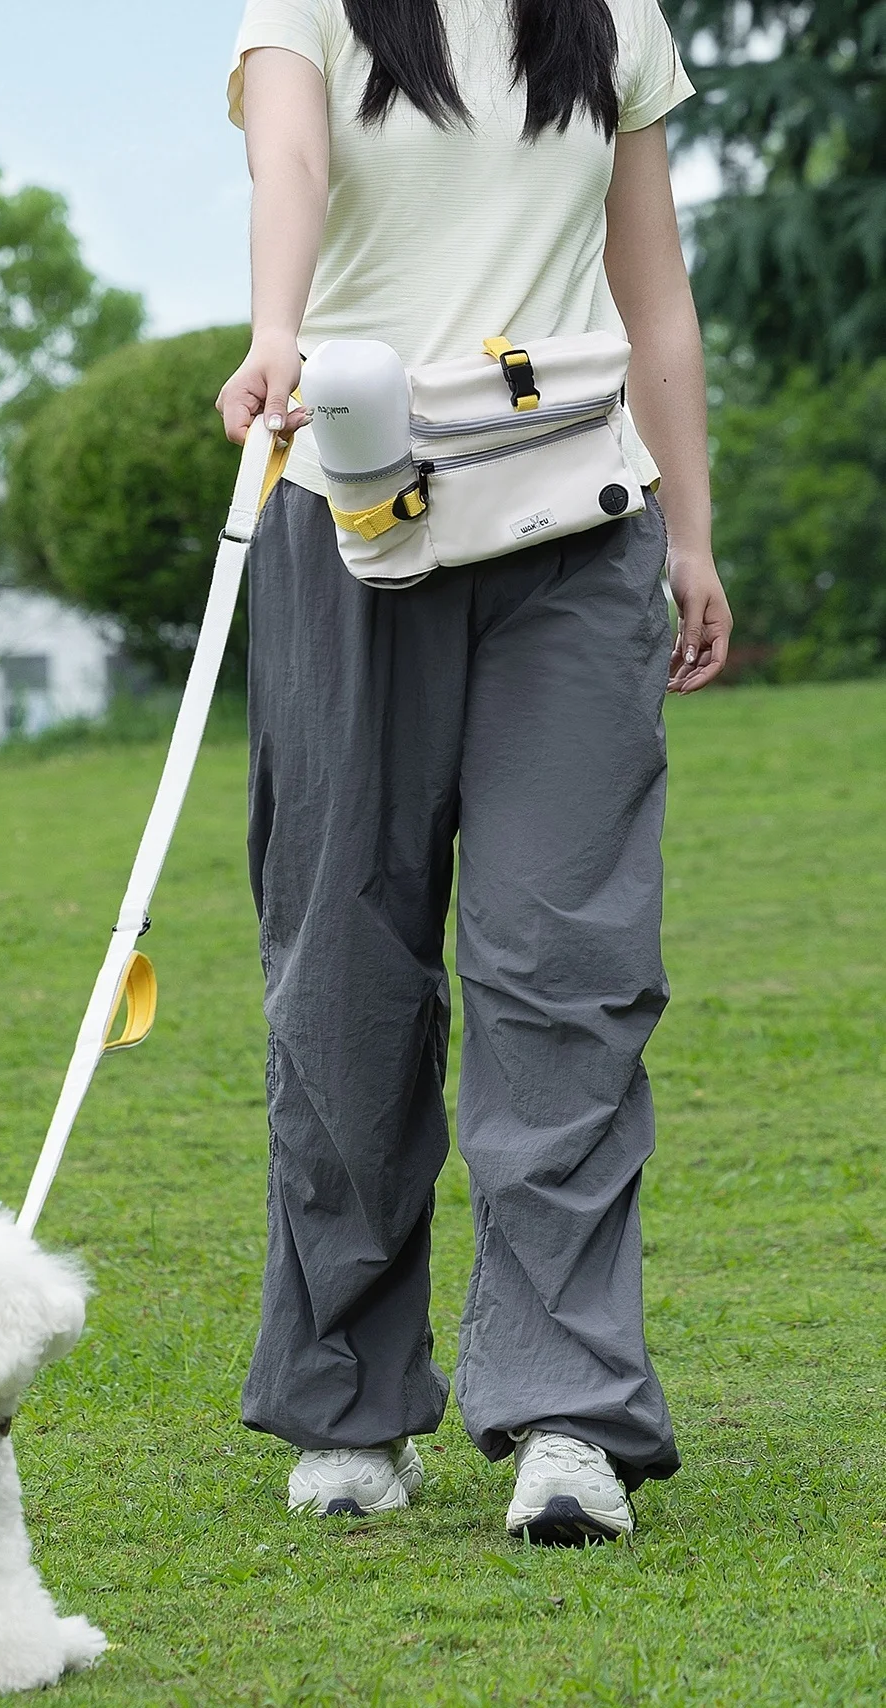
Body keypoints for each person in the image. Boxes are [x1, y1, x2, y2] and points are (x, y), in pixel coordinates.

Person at [218, 0, 732, 1543]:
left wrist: (691, 533)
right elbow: (291, 162)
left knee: (567, 965)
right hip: (352, 515)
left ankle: (569, 1413)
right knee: (342, 971)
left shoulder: (614, 16)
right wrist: (275, 327)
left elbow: (654, 290)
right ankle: (347, 1407)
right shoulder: (305, 5)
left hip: (573, 528)